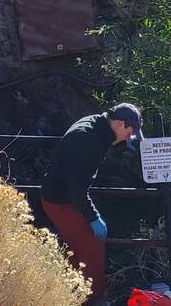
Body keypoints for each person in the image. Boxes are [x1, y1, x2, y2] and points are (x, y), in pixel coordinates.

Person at [40, 103, 143, 305]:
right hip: (60, 200)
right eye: (130, 133)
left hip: (62, 194)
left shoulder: (98, 123)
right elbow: (77, 188)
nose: (130, 138)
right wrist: (93, 217)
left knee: (76, 248)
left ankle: (68, 296)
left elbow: (78, 181)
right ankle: (93, 301)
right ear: (120, 124)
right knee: (92, 246)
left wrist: (122, 143)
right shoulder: (88, 141)